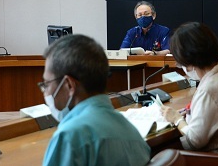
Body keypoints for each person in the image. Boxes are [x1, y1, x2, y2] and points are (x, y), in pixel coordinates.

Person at [41, 34, 150, 166]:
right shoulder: (130, 130)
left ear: (69, 85)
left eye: (46, 84)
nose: (45, 92)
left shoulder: (69, 137)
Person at [160, 22, 218, 153]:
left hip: (217, 158)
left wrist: (176, 119)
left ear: (190, 61)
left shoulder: (208, 90)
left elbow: (194, 142)